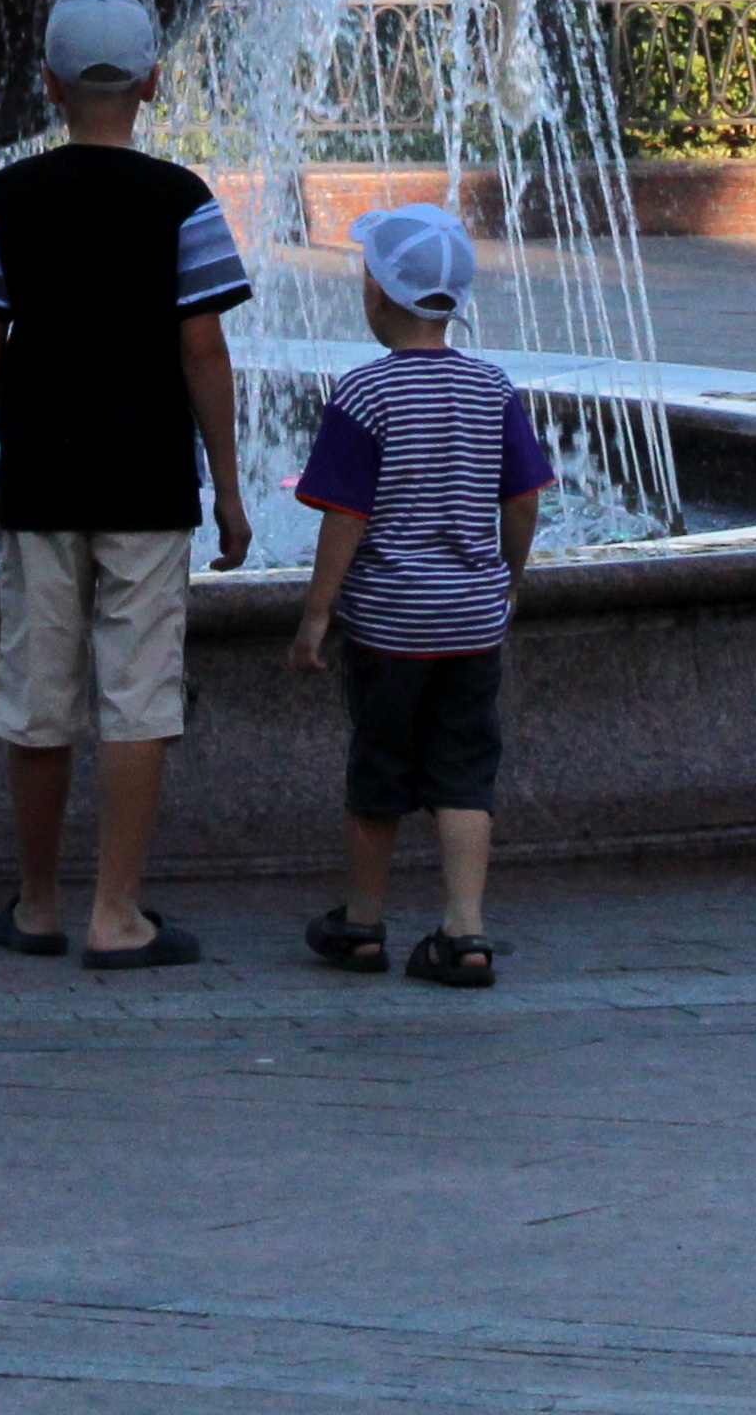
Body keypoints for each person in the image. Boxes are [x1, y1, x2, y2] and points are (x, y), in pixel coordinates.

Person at [0, 0, 256, 970]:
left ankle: (37, 903)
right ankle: (117, 913)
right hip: (148, 488)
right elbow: (203, 351)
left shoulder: (9, 197)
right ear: (154, 83)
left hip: (40, 482)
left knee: (37, 694)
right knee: (138, 695)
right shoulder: (183, 202)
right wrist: (231, 486)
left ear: (49, 84)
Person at [290, 203, 555, 991]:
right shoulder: (491, 386)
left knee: (379, 769)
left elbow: (347, 515)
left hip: (389, 625)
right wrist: (508, 577)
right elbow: (525, 497)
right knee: (465, 770)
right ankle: (465, 930)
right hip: (472, 622)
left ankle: (364, 925)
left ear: (375, 290)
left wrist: (316, 611)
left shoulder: (363, 395)